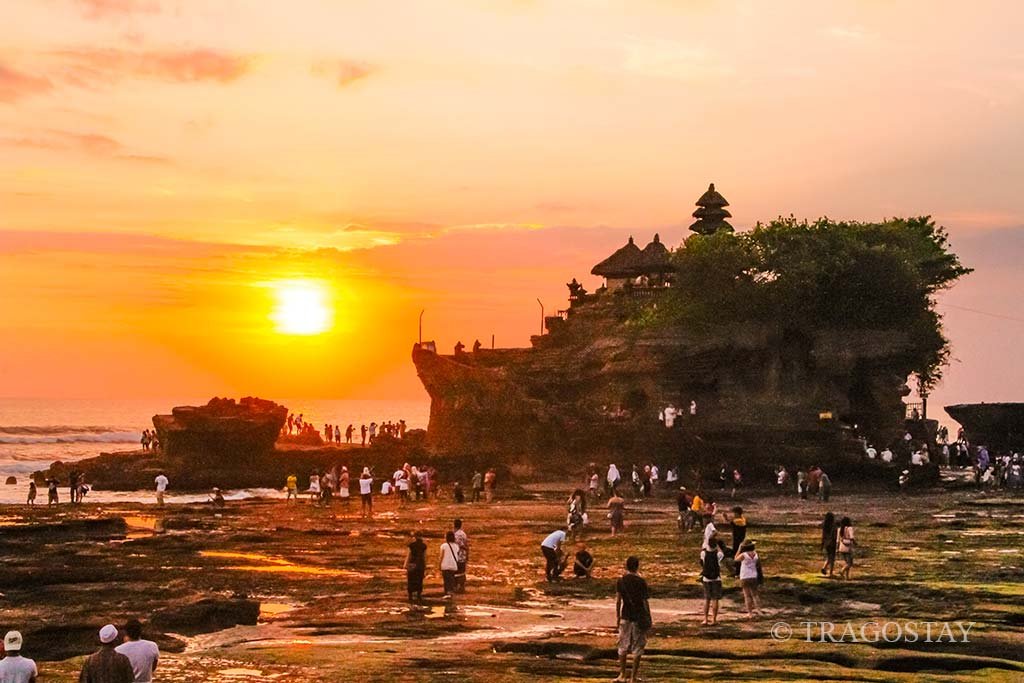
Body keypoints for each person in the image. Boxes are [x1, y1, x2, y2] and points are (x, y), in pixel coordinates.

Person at [614, 556, 651, 683]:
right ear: (637, 566)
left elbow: (618, 601)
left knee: (622, 645)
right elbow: (645, 602)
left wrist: (617, 617)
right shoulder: (641, 581)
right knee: (638, 647)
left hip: (625, 615)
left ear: (626, 566)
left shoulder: (621, 581)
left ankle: (622, 674)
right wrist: (648, 617)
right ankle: (633, 677)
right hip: (638, 616)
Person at [114, 619, 159, 683]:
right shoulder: (152, 646)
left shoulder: (118, 650)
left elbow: (118, 673)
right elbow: (153, 668)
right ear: (141, 631)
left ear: (126, 632)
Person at [700, 534, 725, 625]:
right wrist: (717, 545)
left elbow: (702, 558)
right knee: (715, 599)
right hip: (716, 578)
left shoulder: (703, 554)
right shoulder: (719, 554)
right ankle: (714, 619)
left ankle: (705, 619)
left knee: (707, 599)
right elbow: (722, 552)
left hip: (706, 578)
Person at [735, 541, 762, 618]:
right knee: (755, 594)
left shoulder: (744, 555)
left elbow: (736, 559)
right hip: (753, 575)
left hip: (745, 576)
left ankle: (750, 613)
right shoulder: (756, 554)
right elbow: (757, 564)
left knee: (747, 596)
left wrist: (739, 549)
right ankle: (759, 610)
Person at [404, 530, 427, 602]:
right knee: (419, 580)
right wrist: (425, 565)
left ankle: (410, 595)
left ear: (415, 537)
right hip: (420, 565)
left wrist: (405, 564)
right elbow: (424, 556)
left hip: (412, 565)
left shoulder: (411, 545)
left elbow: (409, 555)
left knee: (411, 579)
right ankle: (419, 595)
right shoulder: (424, 546)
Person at [439, 530, 460, 599]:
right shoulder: (456, 546)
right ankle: (450, 593)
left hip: (445, 565)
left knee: (446, 581)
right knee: (451, 580)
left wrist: (439, 565)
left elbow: (441, 556)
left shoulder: (443, 546)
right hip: (453, 565)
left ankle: (447, 593)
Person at [453, 519, 469, 593]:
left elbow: (459, 545)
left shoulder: (455, 534)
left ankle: (456, 587)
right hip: (463, 555)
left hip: (457, 555)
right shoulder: (463, 534)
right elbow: (466, 545)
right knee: (462, 572)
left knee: (456, 572)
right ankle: (462, 587)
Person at [820, 511, 837, 577]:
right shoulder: (834, 525)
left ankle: (824, 567)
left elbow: (823, 536)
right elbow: (834, 535)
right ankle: (830, 572)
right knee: (832, 558)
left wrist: (822, 544)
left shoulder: (825, 526)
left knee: (828, 557)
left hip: (826, 543)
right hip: (832, 543)